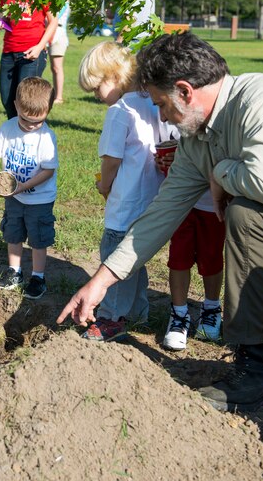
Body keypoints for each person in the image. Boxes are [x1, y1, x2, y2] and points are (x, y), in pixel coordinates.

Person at [57, 32, 263, 412]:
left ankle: (258, 376)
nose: (162, 117)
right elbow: (160, 214)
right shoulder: (198, 138)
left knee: (248, 214)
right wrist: (100, 282)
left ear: (185, 91)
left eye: (162, 105)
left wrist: (220, 173)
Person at [77, 42, 166, 341]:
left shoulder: (119, 111)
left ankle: (111, 317)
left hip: (124, 203)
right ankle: (139, 312)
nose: (96, 97)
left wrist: (104, 185)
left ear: (114, 76)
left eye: (96, 88)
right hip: (151, 201)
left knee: (115, 257)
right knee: (135, 258)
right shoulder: (151, 102)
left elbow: (111, 160)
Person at [0, 76, 58, 300]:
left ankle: (38, 277)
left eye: (38, 121)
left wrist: (23, 186)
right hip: (14, 198)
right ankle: (14, 271)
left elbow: (48, 171)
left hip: (39, 199)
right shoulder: (7, 128)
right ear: (16, 106)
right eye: (26, 120)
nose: (31, 126)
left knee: (38, 238)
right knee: (13, 233)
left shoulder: (46, 137)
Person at [160, 151, 225, 351]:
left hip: (214, 201)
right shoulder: (173, 122)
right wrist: (167, 159)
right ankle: (179, 314)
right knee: (179, 257)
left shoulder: (223, 123)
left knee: (212, 257)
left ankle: (211, 309)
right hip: (182, 199)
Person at [0, 0, 58, 119]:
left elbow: (53, 21)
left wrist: (39, 47)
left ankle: (32, 133)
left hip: (31, 52)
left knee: (27, 101)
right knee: (7, 100)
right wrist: (0, 22)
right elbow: (9, 18)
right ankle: (14, 134)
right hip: (9, 51)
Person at [48, 1, 70, 104]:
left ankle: (59, 97)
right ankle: (56, 94)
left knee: (57, 67)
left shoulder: (63, 2)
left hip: (58, 32)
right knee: (53, 67)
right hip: (50, 31)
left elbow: (55, 16)